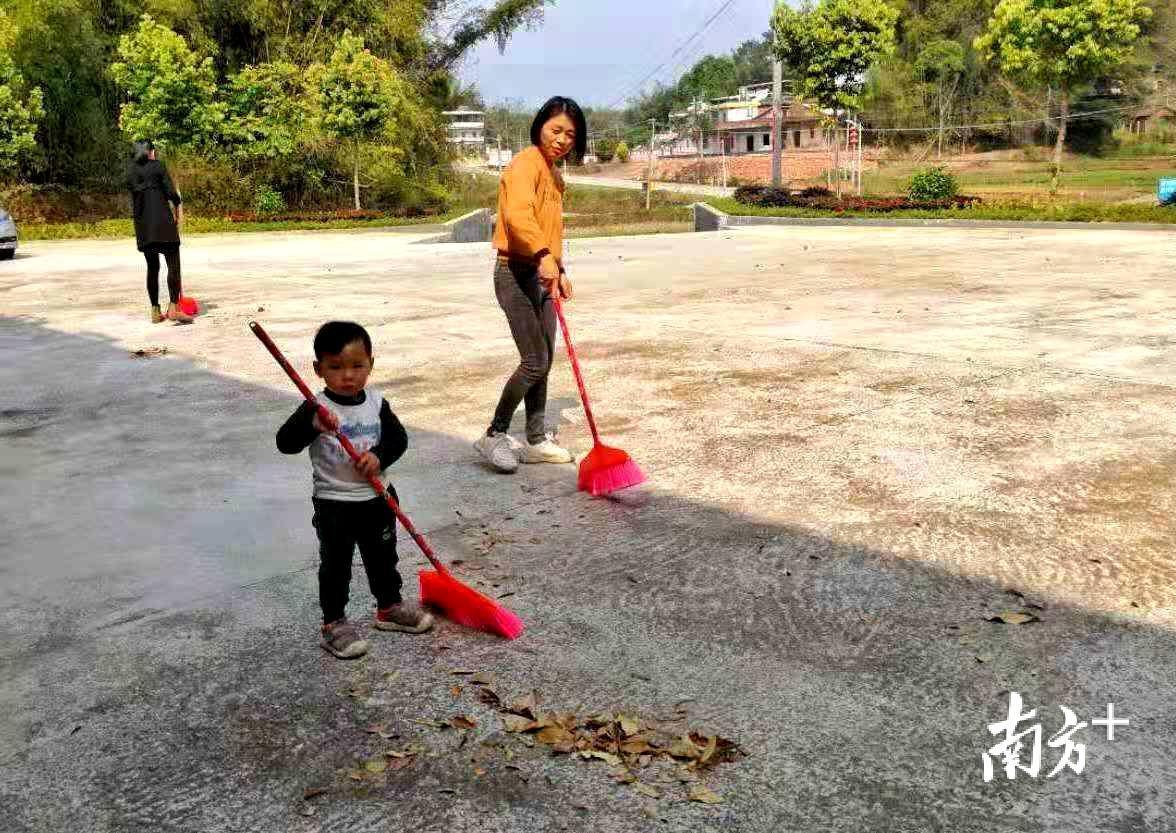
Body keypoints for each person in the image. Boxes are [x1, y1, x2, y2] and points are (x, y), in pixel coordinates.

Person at [276, 321, 434, 659]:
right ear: (319, 370)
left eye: (357, 366)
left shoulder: (377, 402)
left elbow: (397, 439)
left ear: (371, 364)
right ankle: (333, 623)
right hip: (335, 503)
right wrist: (312, 424)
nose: (348, 375)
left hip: (378, 497)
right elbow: (285, 443)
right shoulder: (316, 408)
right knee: (336, 564)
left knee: (383, 558)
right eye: (336, 367)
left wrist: (379, 457)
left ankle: (389, 607)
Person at [475, 96, 588, 474]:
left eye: (570, 135)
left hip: (542, 272)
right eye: (555, 130)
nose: (561, 139)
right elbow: (518, 215)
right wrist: (542, 256)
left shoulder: (554, 173)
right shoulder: (525, 164)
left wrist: (559, 267)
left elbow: (550, 228)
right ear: (540, 125)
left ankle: (536, 439)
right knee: (534, 360)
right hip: (514, 272)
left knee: (544, 360)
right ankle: (494, 434)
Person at [126, 140, 192, 324]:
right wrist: (178, 201)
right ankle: (173, 308)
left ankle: (155, 311)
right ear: (151, 152)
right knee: (173, 264)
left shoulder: (131, 171)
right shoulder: (157, 166)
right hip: (163, 224)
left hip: (144, 227)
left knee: (152, 267)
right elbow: (170, 192)